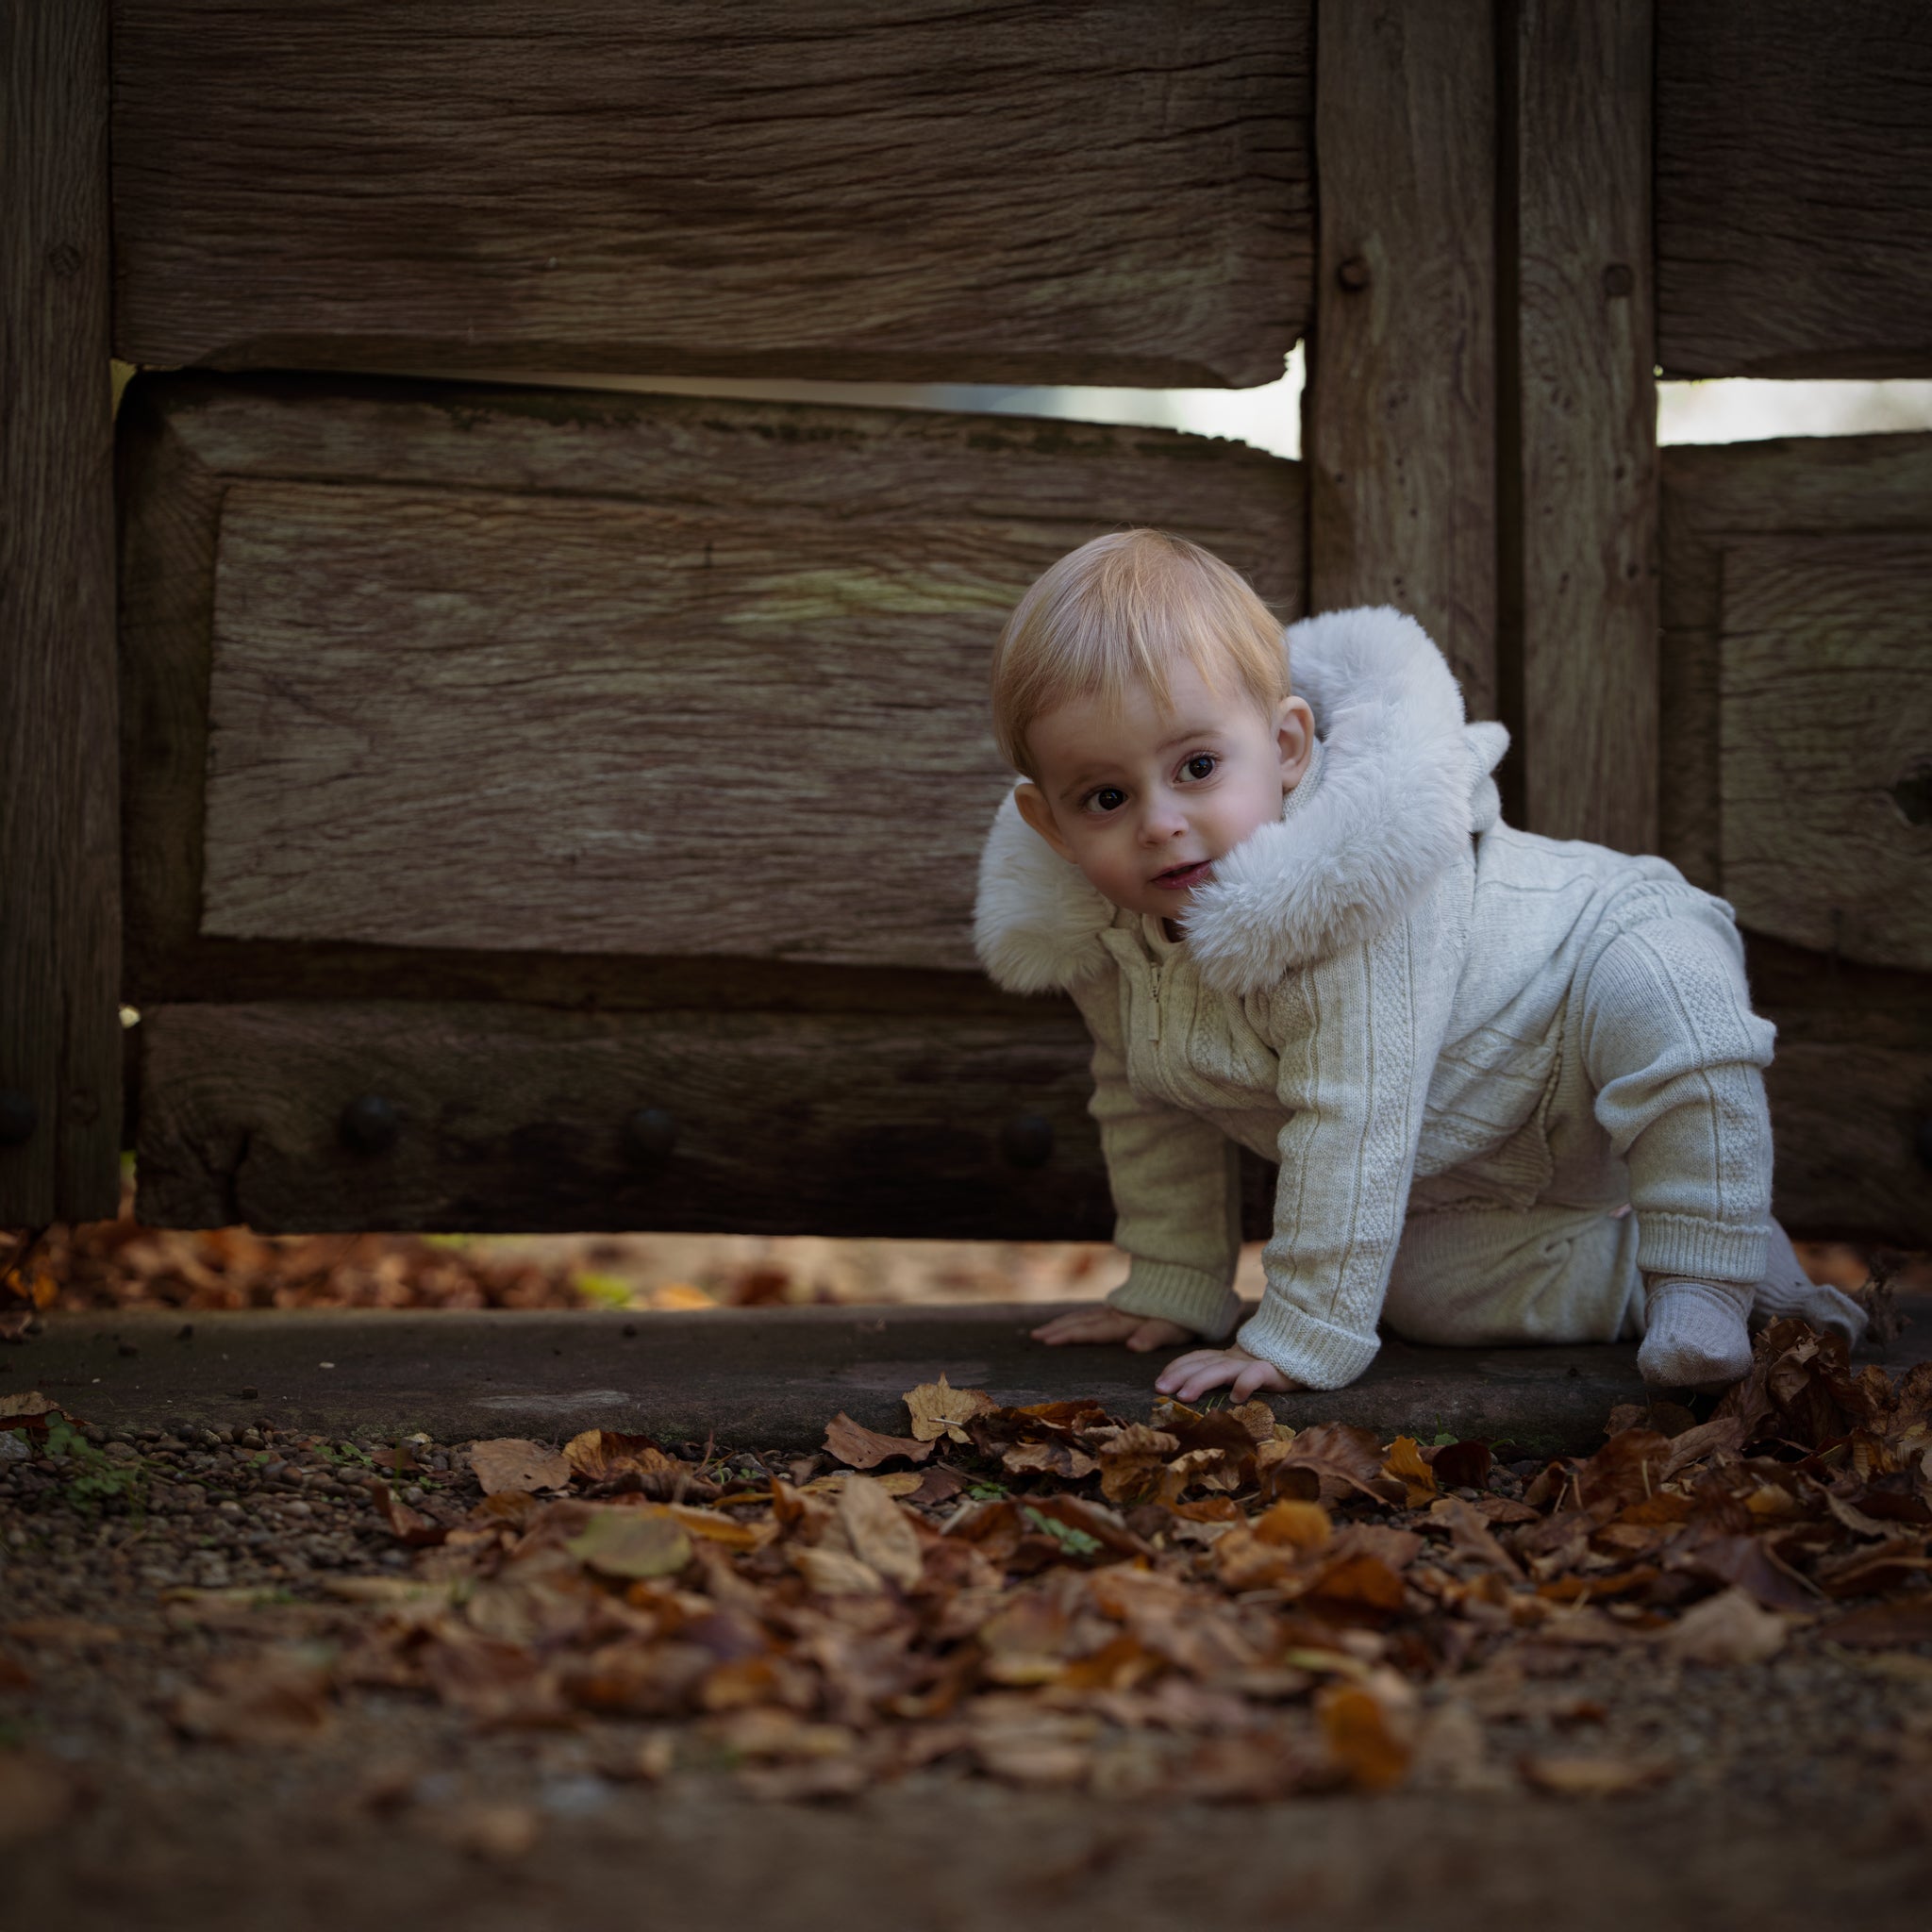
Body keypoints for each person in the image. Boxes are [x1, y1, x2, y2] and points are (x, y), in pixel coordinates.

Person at [973, 529, 1865, 1401]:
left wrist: (1302, 1333)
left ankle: (1706, 1280)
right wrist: (1174, 1285)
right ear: (1051, 824)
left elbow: (1352, 1112)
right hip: (1486, 1153)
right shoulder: (1109, 938)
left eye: (1197, 766)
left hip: (1586, 969)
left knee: (1664, 992)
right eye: (1107, 797)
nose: (1160, 822)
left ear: (1287, 748)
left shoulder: (1348, 891)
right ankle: (1656, 1276)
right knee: (1421, 1296)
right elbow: (1150, 1106)